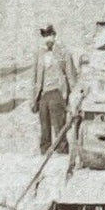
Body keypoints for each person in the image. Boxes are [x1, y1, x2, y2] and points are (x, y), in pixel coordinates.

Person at [29, 23, 76, 154]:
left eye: (49, 35)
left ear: (54, 36)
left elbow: (71, 75)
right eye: (44, 35)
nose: (47, 38)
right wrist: (33, 99)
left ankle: (62, 151)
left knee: (59, 124)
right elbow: (34, 78)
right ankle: (45, 152)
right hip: (44, 93)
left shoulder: (64, 52)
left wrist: (74, 98)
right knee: (44, 126)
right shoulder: (39, 54)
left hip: (58, 92)